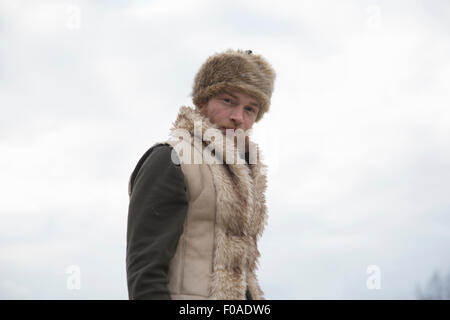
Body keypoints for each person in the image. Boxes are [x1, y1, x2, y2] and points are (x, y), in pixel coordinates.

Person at [126, 48, 276, 300]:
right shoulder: (170, 158)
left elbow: (242, 275)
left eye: (250, 109)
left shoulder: (249, 175)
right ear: (203, 101)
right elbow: (145, 273)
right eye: (228, 101)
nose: (238, 117)